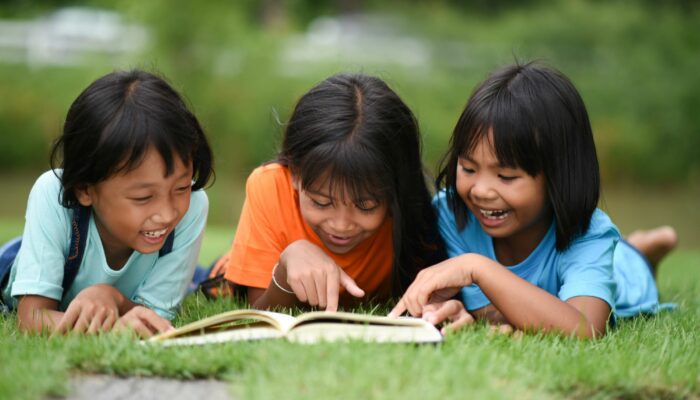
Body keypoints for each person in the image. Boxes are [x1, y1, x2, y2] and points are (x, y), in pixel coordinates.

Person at [389, 62, 677, 338]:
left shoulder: (589, 235)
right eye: (468, 169)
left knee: (627, 262)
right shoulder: (452, 215)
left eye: (506, 176)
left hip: (624, 274)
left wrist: (477, 267)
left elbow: (585, 328)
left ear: (559, 175)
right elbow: (485, 309)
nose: (481, 191)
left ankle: (642, 251)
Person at [0, 70, 214, 337]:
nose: (167, 213)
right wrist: (112, 326)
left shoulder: (192, 205)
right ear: (85, 189)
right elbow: (31, 318)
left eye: (181, 187)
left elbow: (155, 320)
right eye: (143, 197)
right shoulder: (52, 193)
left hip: (121, 284)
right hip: (16, 263)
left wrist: (113, 298)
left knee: (202, 279)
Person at [214, 73, 445, 311]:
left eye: (365, 206)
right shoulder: (270, 186)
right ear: (294, 173)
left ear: (395, 190)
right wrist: (285, 269)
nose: (341, 225)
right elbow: (261, 313)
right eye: (322, 202)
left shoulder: (410, 217)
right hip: (224, 275)